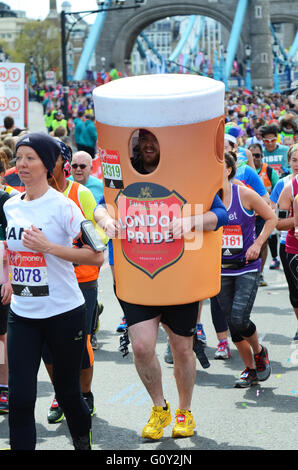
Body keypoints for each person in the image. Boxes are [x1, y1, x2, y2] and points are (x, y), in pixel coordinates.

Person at [97, 129, 228, 439]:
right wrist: (105, 221)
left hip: (179, 277)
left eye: (154, 139)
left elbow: (220, 215)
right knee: (141, 347)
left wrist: (190, 221)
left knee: (182, 348)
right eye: (143, 139)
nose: (149, 145)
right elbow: (102, 205)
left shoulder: (188, 172)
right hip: (137, 275)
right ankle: (159, 408)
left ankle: (184, 411)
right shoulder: (124, 174)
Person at [4, 132, 104, 450]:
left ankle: (81, 441)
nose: (22, 164)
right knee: (20, 399)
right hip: (22, 314)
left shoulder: (64, 207)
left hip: (63, 313)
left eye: (30, 158)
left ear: (47, 165)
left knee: (69, 394)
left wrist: (49, 247)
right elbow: (9, 248)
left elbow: (97, 255)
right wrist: (6, 273)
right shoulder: (10, 206)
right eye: (19, 158)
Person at [42, 140, 106, 423]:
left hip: (82, 280)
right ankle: (61, 393)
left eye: (49, 159)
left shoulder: (80, 194)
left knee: (80, 343)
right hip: (47, 280)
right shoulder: (33, 195)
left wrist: (78, 252)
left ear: (63, 164)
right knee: (48, 347)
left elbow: (99, 236)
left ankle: (83, 393)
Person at [210, 152, 277, 388]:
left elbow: (271, 217)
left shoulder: (244, 194)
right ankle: (250, 369)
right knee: (232, 322)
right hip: (219, 269)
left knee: (239, 317)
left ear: (228, 170)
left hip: (246, 266)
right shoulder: (206, 197)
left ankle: (259, 351)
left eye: (216, 168)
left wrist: (258, 244)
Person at [248, 143, 279, 286]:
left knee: (263, 242)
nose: (255, 158)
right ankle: (248, 271)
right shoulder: (244, 171)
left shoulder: (269, 171)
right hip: (247, 214)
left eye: (258, 155)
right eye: (252, 155)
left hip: (263, 213)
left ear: (262, 156)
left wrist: (271, 206)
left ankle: (259, 274)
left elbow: (278, 190)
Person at [276, 144, 298, 340]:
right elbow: (279, 224)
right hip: (292, 247)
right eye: (294, 160)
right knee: (296, 293)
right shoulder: (288, 188)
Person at [261, 124, 289, 270]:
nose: (270, 143)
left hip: (285, 193)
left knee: (285, 226)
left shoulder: (285, 151)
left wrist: (286, 171)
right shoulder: (261, 153)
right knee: (271, 227)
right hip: (267, 197)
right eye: (267, 141)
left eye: (273, 140)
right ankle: (275, 258)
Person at [0, 189, 13, 415]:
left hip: (1, 278)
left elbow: (13, 243)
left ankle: (4, 387)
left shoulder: (5, 201)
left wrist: (9, 280)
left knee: (1, 336)